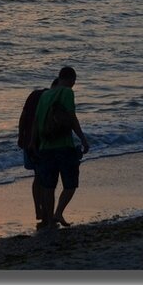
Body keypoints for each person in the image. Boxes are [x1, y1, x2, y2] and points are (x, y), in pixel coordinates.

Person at [32, 65, 90, 230]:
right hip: (63, 146)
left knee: (48, 186)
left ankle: (50, 221)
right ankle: (58, 212)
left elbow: (36, 122)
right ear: (71, 80)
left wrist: (32, 143)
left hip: (45, 147)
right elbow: (71, 118)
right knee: (70, 184)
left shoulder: (45, 95)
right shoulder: (67, 92)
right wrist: (83, 139)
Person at [17, 78, 58, 224]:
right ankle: (47, 212)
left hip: (28, 141)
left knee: (38, 176)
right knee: (45, 178)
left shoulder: (34, 95)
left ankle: (39, 210)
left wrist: (20, 136)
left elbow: (23, 117)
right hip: (43, 144)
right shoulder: (53, 99)